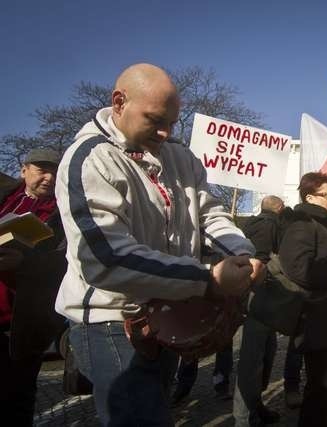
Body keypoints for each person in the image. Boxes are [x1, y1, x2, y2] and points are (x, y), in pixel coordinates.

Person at [54, 63, 262, 426]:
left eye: (173, 121)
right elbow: (106, 258)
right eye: (154, 119)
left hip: (168, 315)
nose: (165, 132)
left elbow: (209, 216)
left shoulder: (181, 157)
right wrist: (208, 279)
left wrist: (241, 254)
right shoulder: (89, 159)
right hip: (110, 321)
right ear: (119, 102)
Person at [278, 172, 327, 427]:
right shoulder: (302, 223)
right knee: (319, 391)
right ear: (309, 197)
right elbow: (298, 267)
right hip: (318, 321)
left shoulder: (325, 225)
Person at [0, 149, 67, 426]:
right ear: (23, 169)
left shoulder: (64, 213)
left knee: (17, 397)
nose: (49, 177)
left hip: (21, 323)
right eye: (42, 169)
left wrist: (24, 264)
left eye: (54, 171)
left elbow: (62, 266)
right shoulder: (5, 197)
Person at [233, 195, 285, 426]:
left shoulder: (249, 224)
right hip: (259, 290)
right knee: (253, 357)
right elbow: (262, 260)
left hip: (255, 292)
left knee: (266, 350)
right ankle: (243, 418)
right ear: (280, 209)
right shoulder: (270, 225)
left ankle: (255, 406)